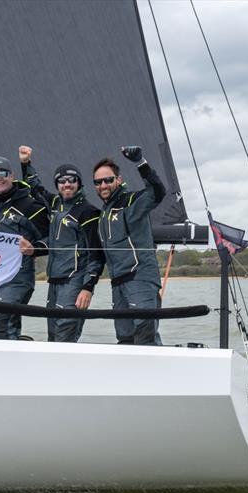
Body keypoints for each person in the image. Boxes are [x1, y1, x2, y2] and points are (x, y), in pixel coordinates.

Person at [19, 146, 105, 342]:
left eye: (72, 180)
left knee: (65, 337)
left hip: (74, 282)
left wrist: (88, 287)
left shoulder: (88, 212)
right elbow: (35, 187)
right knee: (52, 337)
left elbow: (97, 255)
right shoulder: (56, 204)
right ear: (57, 184)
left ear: (79, 183)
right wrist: (26, 163)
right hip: (54, 281)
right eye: (62, 181)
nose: (67, 184)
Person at [93, 146, 165, 345]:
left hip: (140, 279)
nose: (103, 185)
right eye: (98, 182)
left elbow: (157, 192)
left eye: (108, 180)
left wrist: (140, 162)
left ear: (119, 180)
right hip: (118, 283)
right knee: (125, 339)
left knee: (145, 336)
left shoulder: (132, 201)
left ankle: (155, 376)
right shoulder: (104, 213)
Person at [0, 156, 49, 340]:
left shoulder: (30, 205)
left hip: (18, 278)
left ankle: (6, 363)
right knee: (4, 325)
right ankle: (18, 352)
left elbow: (52, 239)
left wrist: (33, 249)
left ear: (11, 175)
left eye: (3, 173)